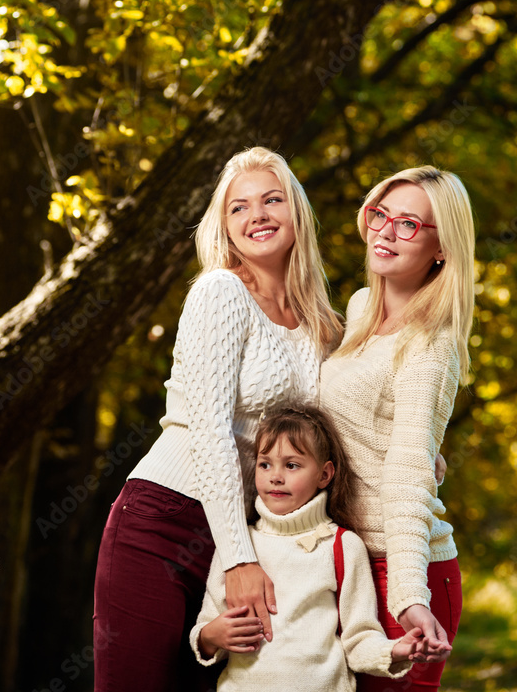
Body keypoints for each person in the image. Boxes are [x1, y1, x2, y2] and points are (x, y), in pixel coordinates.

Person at [92, 147, 343, 692]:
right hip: (163, 520)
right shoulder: (219, 292)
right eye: (239, 207)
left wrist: (418, 451)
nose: (257, 215)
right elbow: (209, 430)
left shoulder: (320, 323)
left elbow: (336, 426)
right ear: (225, 228)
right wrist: (238, 561)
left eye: (272, 200)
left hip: (247, 530)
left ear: (296, 212)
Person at [320, 165, 475, 691]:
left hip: (403, 568)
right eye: (380, 214)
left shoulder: (431, 343)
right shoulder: (361, 310)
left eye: (408, 224)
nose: (385, 231)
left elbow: (408, 468)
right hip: (347, 564)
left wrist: (409, 595)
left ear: (442, 249)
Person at [191, 406, 429, 691]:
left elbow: (359, 638)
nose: (275, 476)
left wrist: (393, 652)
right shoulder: (239, 546)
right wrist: (209, 637)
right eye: (265, 464)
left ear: (324, 474)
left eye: (291, 465)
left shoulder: (344, 546)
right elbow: (207, 627)